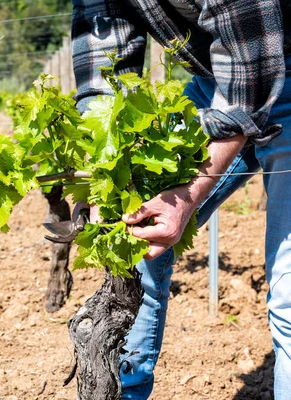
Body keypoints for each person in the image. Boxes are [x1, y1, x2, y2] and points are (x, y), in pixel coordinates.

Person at [70, 0, 291, 398]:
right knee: (137, 240)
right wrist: (104, 171)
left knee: (290, 302)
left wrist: (188, 193)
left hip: (272, 63)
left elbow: (254, 63)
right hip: (218, 76)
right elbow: (102, 56)